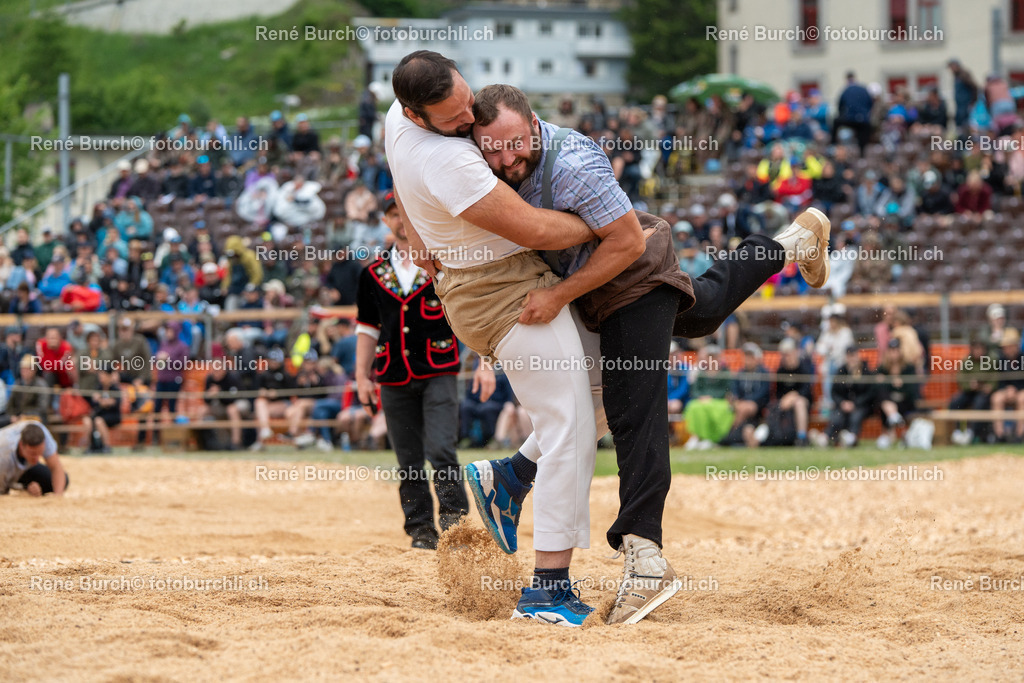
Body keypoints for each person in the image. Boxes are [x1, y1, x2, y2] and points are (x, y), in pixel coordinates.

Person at [465, 83, 830, 624]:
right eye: (491, 148)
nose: (504, 158)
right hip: (598, 287)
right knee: (702, 309)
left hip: (630, 276)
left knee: (633, 407)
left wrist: (558, 297)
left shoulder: (574, 165)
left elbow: (629, 244)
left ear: (535, 124)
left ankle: (646, 556)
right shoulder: (489, 164)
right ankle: (789, 242)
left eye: (513, 143)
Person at [385, 51, 607, 625]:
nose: (469, 121)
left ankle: (511, 477)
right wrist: (603, 221)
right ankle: (546, 593)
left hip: (488, 282)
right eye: (455, 119)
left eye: (467, 101)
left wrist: (414, 230)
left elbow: (394, 172)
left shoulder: (398, 115)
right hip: (504, 294)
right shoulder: (449, 161)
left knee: (606, 398)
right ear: (417, 115)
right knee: (568, 427)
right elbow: (533, 227)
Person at [354, 191, 485, 549]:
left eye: (404, 212)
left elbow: (469, 314)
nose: (399, 219)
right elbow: (367, 327)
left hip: (438, 369)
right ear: (384, 220)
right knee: (407, 458)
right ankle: (421, 530)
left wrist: (484, 362)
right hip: (392, 375)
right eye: (392, 214)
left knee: (442, 450)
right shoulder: (372, 273)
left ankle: (455, 527)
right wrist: (361, 376)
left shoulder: (443, 261)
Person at [0, 421, 66, 496]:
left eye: (40, 453)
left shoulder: (43, 435)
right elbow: (3, 491)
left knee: (61, 481)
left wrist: (58, 496)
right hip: (5, 466)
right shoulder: (3, 454)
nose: (37, 458)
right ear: (21, 445)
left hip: (22, 465)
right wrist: (23, 488)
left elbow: (56, 467)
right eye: (33, 454)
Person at [826, 347, 876, 447]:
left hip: (862, 406)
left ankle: (851, 439)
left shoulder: (866, 371)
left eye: (854, 356)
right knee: (837, 417)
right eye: (850, 356)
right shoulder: (841, 371)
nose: (852, 359)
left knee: (856, 416)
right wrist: (842, 403)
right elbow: (834, 392)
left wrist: (856, 403)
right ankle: (827, 438)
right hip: (843, 405)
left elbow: (870, 393)